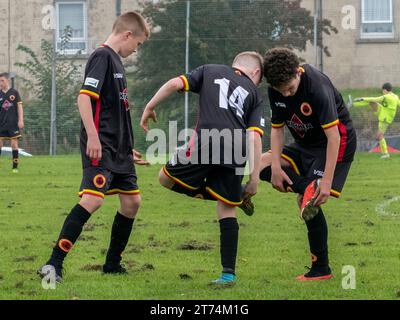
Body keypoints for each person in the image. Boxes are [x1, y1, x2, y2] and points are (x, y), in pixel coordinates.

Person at [38, 12, 150, 283]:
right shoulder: (102, 57)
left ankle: (112, 264)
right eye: (138, 43)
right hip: (100, 147)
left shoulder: (117, 63)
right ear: (127, 35)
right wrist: (93, 137)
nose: (136, 50)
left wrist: (127, 148)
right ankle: (53, 263)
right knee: (93, 199)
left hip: (118, 150)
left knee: (132, 202)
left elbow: (115, 112)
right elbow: (84, 99)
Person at [140, 52, 265, 286]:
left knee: (165, 178)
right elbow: (254, 137)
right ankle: (228, 274)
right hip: (236, 148)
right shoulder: (255, 93)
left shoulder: (210, 70)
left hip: (206, 140)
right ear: (256, 73)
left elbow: (174, 83)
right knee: (227, 208)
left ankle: (234, 195)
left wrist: (149, 106)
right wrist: (254, 178)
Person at [258, 48, 356, 281]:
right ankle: (307, 188)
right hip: (304, 144)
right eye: (282, 91)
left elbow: (334, 137)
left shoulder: (317, 87)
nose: (288, 95)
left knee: (306, 202)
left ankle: (321, 269)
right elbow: (278, 130)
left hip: (335, 143)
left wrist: (327, 181)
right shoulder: (276, 90)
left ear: (298, 71)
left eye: (291, 88)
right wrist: (275, 168)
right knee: (261, 163)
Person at [354, 83, 399, 159]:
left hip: (385, 118)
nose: (382, 92)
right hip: (383, 112)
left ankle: (385, 153)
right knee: (371, 102)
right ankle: (355, 104)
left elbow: (375, 98)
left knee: (379, 136)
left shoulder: (386, 97)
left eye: (383, 91)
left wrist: (362, 98)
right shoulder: (395, 96)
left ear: (385, 90)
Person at [0, 73, 24, 173]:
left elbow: (19, 107)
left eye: (2, 81)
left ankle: (15, 167)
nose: (0, 83)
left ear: (7, 80)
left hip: (13, 123)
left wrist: (21, 120)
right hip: (1, 123)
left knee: (14, 144)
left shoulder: (14, 92)